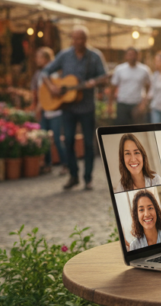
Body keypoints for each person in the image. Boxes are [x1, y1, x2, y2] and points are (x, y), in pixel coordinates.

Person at [41, 26, 108, 190]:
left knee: (88, 143)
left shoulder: (95, 56)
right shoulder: (64, 55)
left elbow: (104, 77)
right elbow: (45, 72)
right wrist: (51, 87)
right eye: (75, 38)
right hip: (68, 107)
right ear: (72, 39)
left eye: (81, 38)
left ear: (86, 39)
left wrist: (95, 82)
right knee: (68, 140)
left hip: (87, 107)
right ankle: (73, 175)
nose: (78, 41)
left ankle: (88, 178)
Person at [32, 46, 66, 176]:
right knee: (45, 138)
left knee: (57, 139)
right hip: (45, 110)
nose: (36, 59)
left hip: (55, 111)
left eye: (39, 57)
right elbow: (42, 94)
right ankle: (47, 164)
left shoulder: (55, 73)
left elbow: (56, 92)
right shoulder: (41, 73)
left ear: (45, 58)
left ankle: (65, 164)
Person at [111, 47, 152, 125]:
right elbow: (113, 87)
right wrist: (110, 105)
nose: (132, 57)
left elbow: (150, 87)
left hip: (137, 104)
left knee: (137, 129)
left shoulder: (145, 70)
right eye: (130, 55)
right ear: (126, 56)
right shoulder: (119, 69)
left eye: (134, 55)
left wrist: (143, 103)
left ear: (138, 56)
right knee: (121, 129)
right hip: (122, 103)